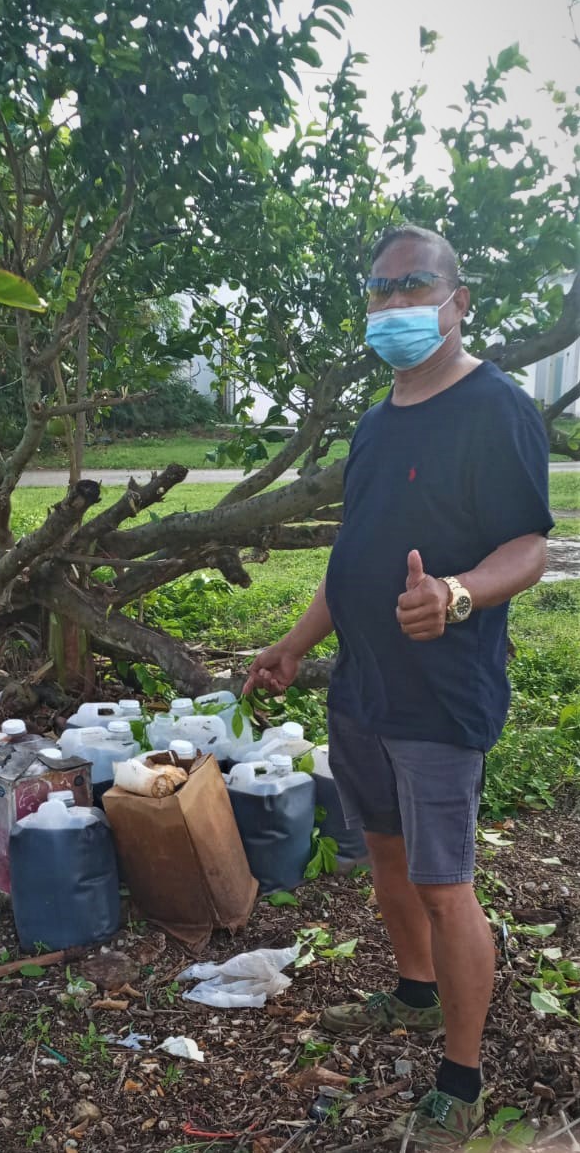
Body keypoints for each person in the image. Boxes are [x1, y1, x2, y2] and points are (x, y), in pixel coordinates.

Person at [244, 224, 554, 1149]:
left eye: (413, 285)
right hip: (362, 687)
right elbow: (353, 555)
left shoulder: (496, 407)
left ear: (459, 301)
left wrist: (456, 594)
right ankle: (415, 993)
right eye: (379, 290)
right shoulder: (377, 420)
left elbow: (530, 546)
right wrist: (295, 644)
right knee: (384, 854)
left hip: (440, 695)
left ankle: (462, 1079)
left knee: (444, 882)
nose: (393, 304)